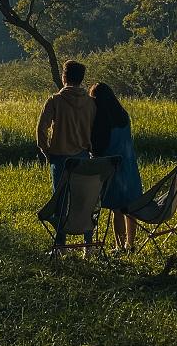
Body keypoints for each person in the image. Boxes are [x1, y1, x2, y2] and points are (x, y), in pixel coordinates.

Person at [37, 59, 97, 248]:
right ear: (81, 79)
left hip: (60, 157)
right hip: (83, 157)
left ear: (64, 77)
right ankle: (88, 243)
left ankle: (61, 244)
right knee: (84, 200)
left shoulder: (55, 100)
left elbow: (41, 129)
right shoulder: (91, 103)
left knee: (60, 202)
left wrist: (46, 150)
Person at [90, 82, 143, 251]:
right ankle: (130, 244)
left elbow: (98, 149)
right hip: (130, 167)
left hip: (113, 169)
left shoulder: (101, 121)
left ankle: (119, 246)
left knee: (117, 210)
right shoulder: (123, 116)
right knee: (131, 207)